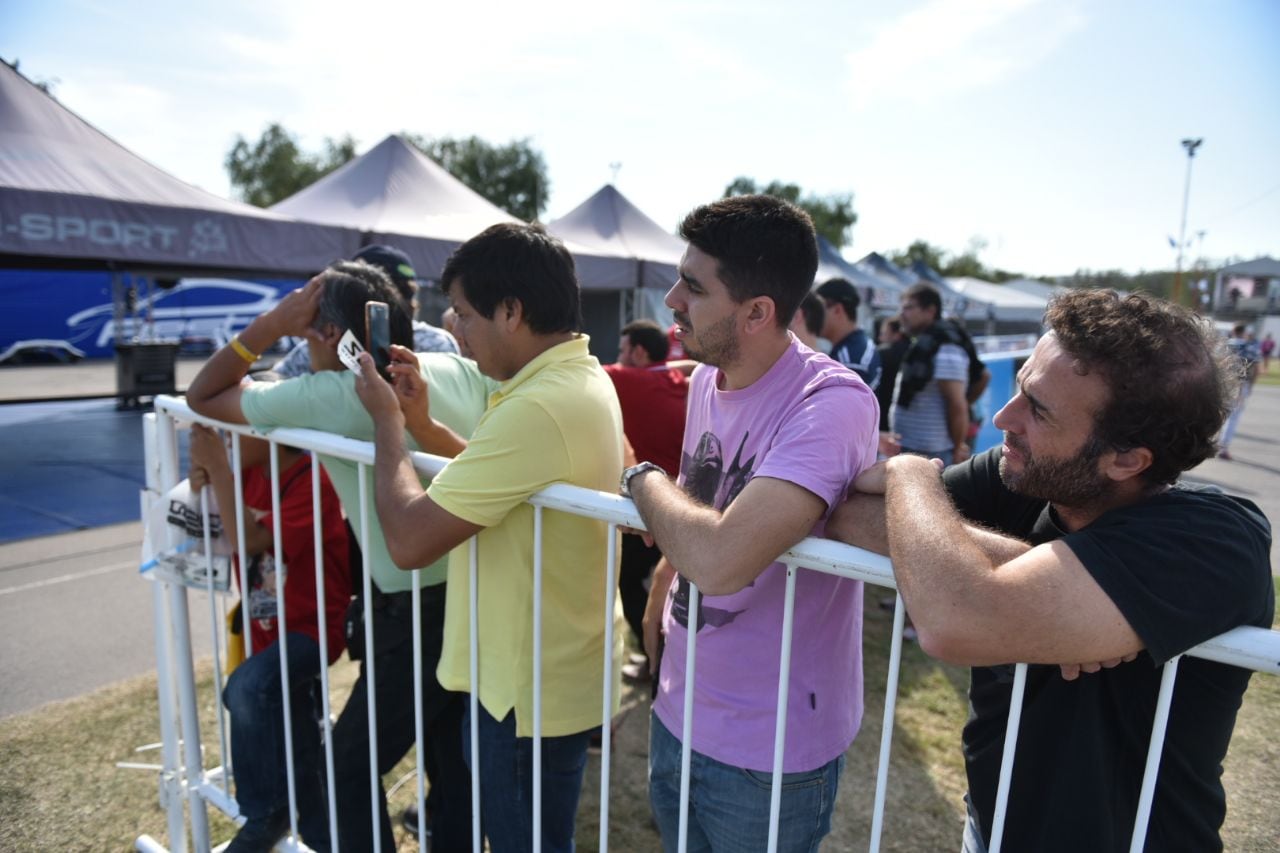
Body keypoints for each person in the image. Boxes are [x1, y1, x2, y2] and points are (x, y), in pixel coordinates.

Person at [827, 289, 1274, 852]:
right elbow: (847, 514)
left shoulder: (1215, 540)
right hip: (988, 830)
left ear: (1127, 460)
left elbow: (954, 617)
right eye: (1020, 386)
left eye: (1037, 408)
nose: (1003, 418)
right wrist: (1036, 589)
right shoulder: (1023, 471)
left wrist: (912, 478)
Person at [186, 260, 485, 852]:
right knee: (453, 759)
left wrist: (272, 322)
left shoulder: (333, 393)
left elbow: (204, 394)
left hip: (411, 603)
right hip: (481, 585)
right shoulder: (454, 367)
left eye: (306, 328)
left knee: (345, 766)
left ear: (325, 332)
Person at [351, 222, 625, 853]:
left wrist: (388, 425)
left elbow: (409, 540)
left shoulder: (539, 405)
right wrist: (423, 423)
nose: (457, 328)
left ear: (511, 311)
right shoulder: (572, 378)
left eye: (466, 314)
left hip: (524, 693)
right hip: (538, 677)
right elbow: (503, 475)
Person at [625, 195, 879, 852]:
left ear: (758, 312)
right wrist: (661, 585)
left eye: (693, 286)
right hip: (681, 708)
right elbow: (704, 497)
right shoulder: (712, 378)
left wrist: (638, 477)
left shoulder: (832, 402)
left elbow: (720, 555)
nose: (672, 298)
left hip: (770, 749)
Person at [189, 425, 352, 852]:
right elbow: (208, 518)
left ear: (270, 432)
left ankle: (266, 814)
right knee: (299, 742)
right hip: (267, 633)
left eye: (234, 432)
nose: (227, 441)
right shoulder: (247, 474)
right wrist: (204, 474)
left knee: (245, 688)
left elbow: (253, 537)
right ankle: (321, 838)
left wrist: (220, 471)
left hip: (311, 630)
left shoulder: (313, 479)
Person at [603, 319, 689, 680]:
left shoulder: (626, 379)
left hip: (647, 509)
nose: (619, 359)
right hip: (685, 505)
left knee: (629, 585)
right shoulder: (682, 381)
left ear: (639, 352)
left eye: (624, 352)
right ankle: (665, 658)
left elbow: (582, 369)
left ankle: (657, 659)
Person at [272, 244, 457, 378]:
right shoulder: (438, 343)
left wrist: (270, 325)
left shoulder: (324, 342)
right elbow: (274, 377)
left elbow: (264, 386)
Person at [892, 283, 988, 465]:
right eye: (902, 308)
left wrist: (958, 446)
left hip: (932, 452)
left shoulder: (945, 346)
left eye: (909, 307)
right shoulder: (928, 341)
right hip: (918, 447)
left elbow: (957, 403)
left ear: (930, 310)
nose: (902, 314)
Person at [816, 277, 881, 388]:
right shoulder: (856, 348)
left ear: (837, 310)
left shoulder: (850, 360)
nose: (813, 316)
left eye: (818, 309)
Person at [1218, 323, 1260, 460]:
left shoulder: (1224, 345)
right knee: (1233, 417)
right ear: (1244, 332)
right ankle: (1223, 447)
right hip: (1240, 384)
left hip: (1223, 383)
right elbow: (1255, 368)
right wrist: (1251, 385)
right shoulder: (1250, 347)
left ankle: (1214, 443)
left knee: (1220, 414)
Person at [875, 315, 908, 433]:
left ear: (897, 334)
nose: (880, 338)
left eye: (884, 333)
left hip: (882, 418)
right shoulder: (918, 353)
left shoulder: (881, 354)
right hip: (908, 422)